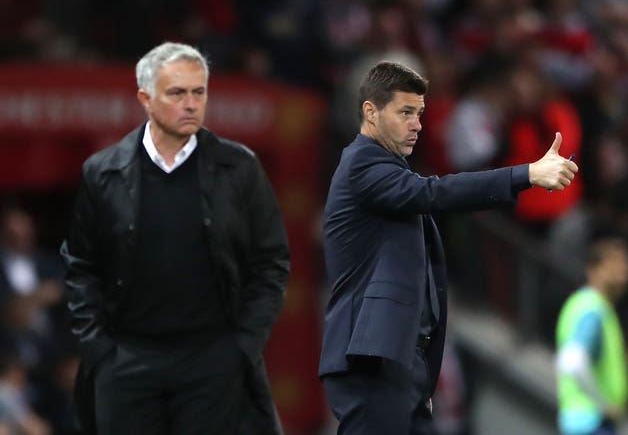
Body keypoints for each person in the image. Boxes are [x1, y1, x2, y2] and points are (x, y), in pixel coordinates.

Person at [319, 61, 578, 435]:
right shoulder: (362, 164)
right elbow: (435, 192)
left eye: (420, 114)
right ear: (370, 112)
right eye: (405, 112)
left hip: (402, 360)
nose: (417, 125)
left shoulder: (390, 169)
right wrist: (526, 174)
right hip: (372, 358)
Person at [60, 42, 290, 435]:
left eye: (199, 92)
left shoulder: (239, 167)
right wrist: (99, 350)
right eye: (177, 93)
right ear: (145, 99)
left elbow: (271, 262)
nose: (191, 104)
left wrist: (242, 347)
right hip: (127, 361)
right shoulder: (102, 172)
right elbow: (81, 265)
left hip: (212, 362)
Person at [556, 238, 628, 435]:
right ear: (593, 269)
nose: (624, 271)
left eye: (626, 263)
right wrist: (604, 405)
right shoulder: (592, 309)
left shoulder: (587, 305)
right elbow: (572, 360)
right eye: (615, 262)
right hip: (592, 422)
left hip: (582, 420)